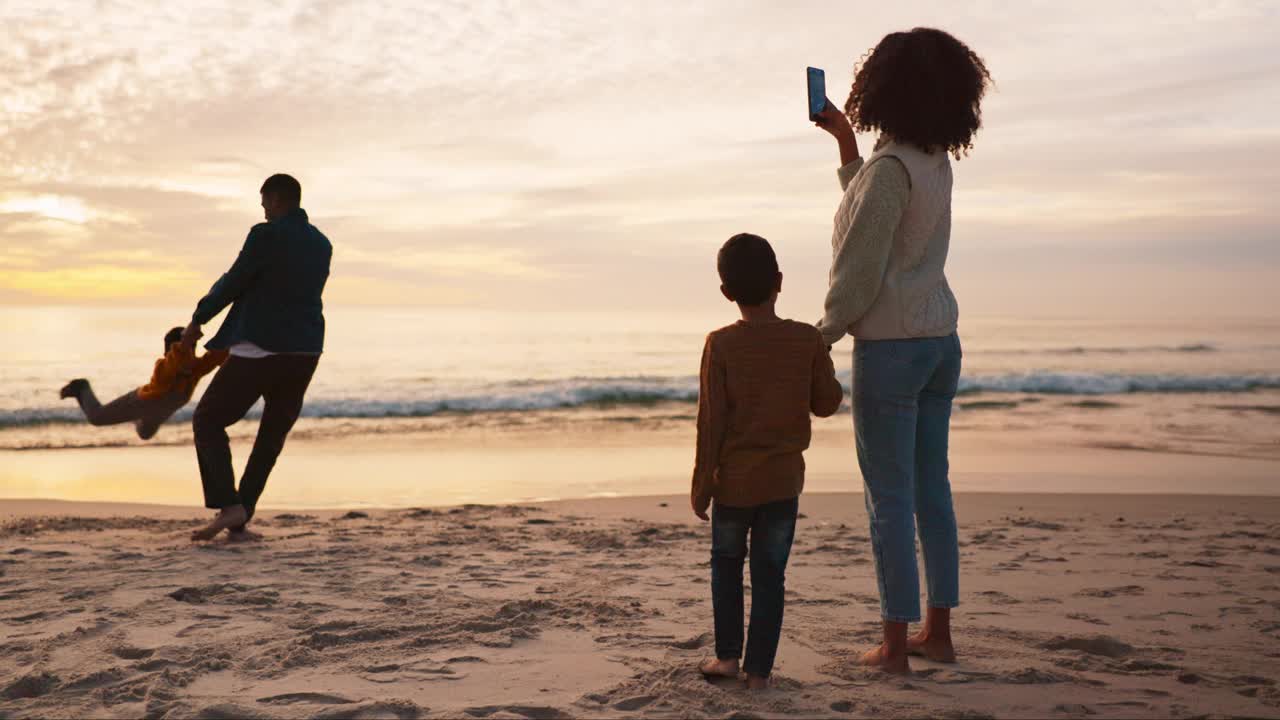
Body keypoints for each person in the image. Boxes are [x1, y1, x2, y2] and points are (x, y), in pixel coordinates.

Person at [812, 27, 991, 674]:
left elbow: (861, 263)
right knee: (929, 491)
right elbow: (879, 216)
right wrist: (844, 146)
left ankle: (893, 646)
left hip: (891, 347)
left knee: (887, 498)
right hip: (939, 341)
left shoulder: (892, 170)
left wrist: (822, 334)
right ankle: (936, 634)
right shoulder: (931, 159)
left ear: (881, 88)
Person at [691, 233, 845, 689]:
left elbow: (711, 423)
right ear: (779, 281)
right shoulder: (805, 339)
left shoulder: (720, 345)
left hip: (734, 483)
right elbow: (827, 403)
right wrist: (823, 360)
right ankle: (759, 673)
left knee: (725, 565)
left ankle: (726, 659)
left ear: (726, 292)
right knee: (770, 575)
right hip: (782, 484)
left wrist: (702, 484)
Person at [181, 173, 331, 542]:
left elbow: (235, 280)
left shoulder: (265, 235)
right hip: (307, 348)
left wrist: (198, 319)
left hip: (262, 345)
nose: (262, 209)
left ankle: (228, 505)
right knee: (271, 436)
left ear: (276, 199)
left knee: (208, 419)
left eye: (264, 202)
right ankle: (240, 513)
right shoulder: (322, 243)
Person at [59, 327, 227, 440]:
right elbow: (174, 361)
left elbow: (214, 357)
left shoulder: (196, 369)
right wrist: (185, 343)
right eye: (181, 350)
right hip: (139, 402)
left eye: (192, 349)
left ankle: (134, 419)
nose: (187, 355)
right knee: (96, 418)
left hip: (156, 414)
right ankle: (81, 386)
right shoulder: (163, 367)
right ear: (171, 352)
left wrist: (236, 339)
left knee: (145, 434)